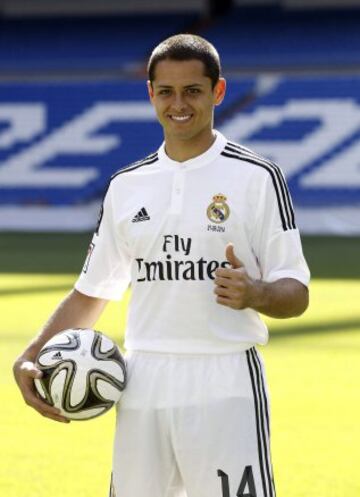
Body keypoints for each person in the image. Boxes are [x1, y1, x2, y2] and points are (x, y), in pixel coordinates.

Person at [13, 34, 310, 497]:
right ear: (150, 93)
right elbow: (93, 290)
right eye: (166, 91)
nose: (179, 104)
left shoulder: (257, 177)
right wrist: (32, 353)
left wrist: (257, 294)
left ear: (218, 91)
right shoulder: (127, 185)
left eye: (192, 90)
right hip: (141, 380)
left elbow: (297, 291)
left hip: (225, 377)